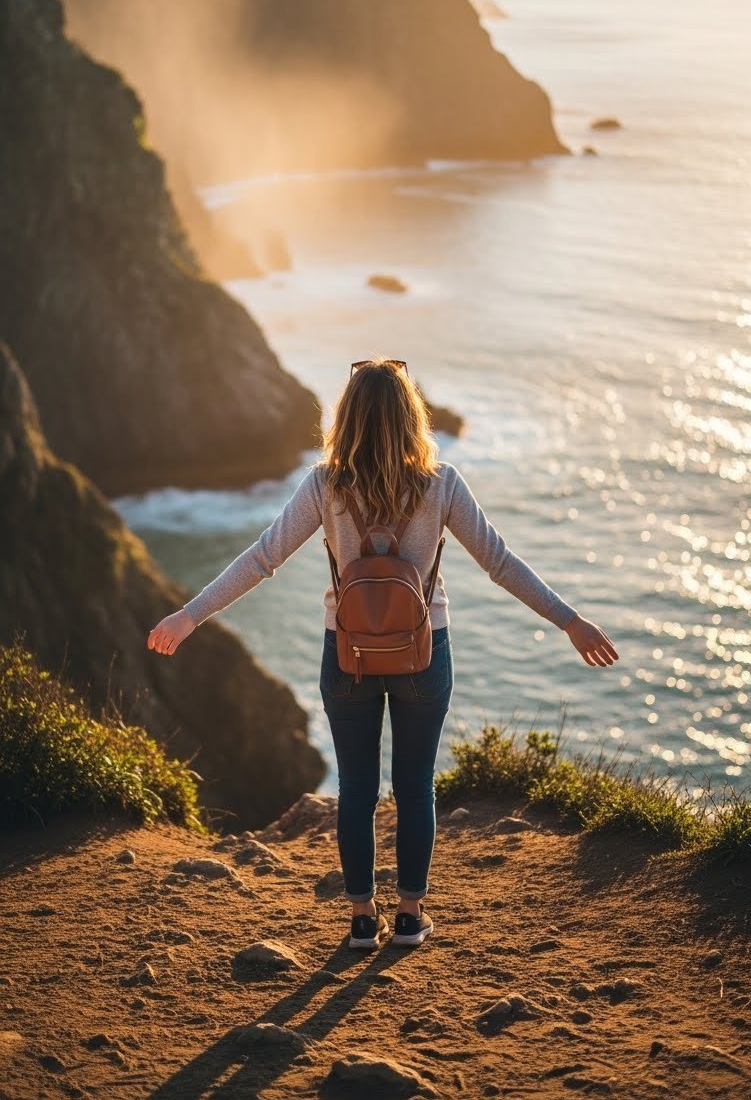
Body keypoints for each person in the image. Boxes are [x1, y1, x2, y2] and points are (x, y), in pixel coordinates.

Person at [147, 356, 619, 950]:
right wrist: (569, 621)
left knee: (357, 790)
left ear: (346, 419)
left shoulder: (324, 484)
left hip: (346, 656)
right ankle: (410, 916)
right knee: (416, 785)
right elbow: (499, 563)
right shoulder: (441, 482)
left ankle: (361, 920)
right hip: (423, 651)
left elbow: (262, 558)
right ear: (411, 416)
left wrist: (190, 615)